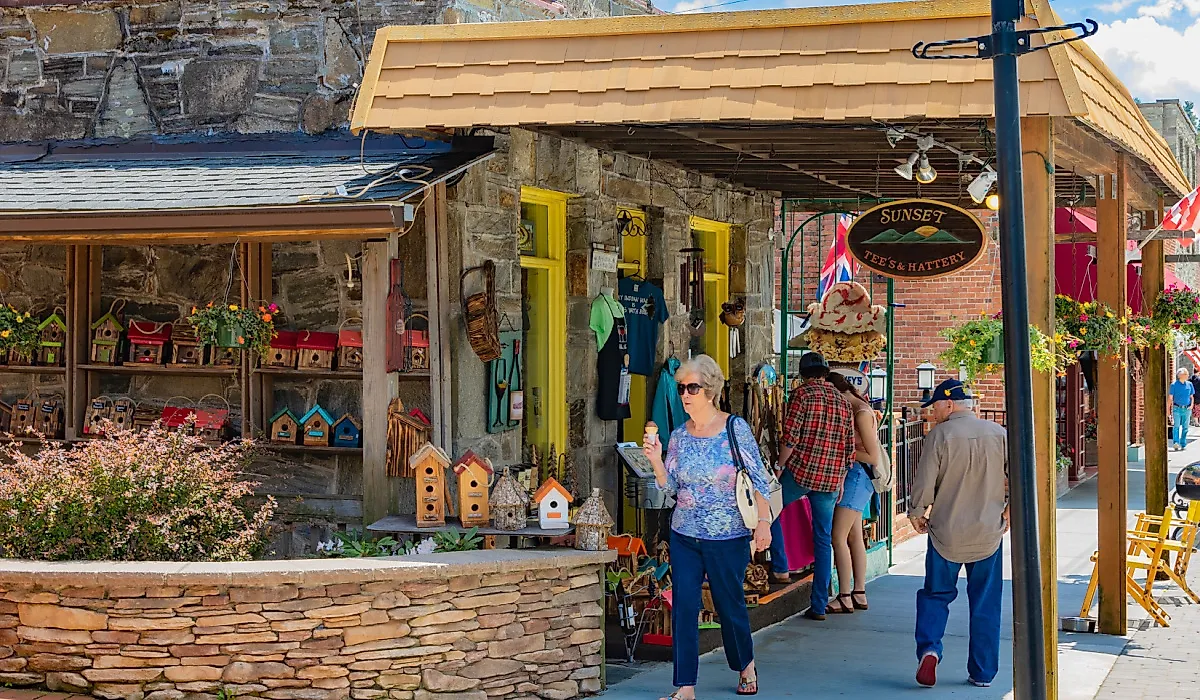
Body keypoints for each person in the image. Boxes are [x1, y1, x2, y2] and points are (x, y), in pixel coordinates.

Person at [643, 354, 773, 700]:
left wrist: (763, 523)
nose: (684, 394)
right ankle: (685, 686)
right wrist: (656, 460)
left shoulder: (735, 428)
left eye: (692, 387)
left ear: (710, 390)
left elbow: (759, 479)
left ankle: (745, 664)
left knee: (729, 604)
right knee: (684, 605)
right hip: (685, 533)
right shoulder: (680, 436)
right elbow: (669, 488)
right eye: (681, 387)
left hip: (727, 535)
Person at [909, 379, 1008, 689]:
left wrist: (916, 512)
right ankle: (983, 672)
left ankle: (929, 649)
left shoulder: (940, 435)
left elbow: (925, 481)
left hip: (946, 533)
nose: (932, 412)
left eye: (935, 406)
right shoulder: (999, 434)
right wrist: (1009, 513)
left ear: (949, 404)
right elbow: (1021, 476)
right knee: (986, 604)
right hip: (988, 532)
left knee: (935, 596)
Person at [778, 351, 856, 621]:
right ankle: (819, 604)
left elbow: (790, 438)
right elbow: (849, 447)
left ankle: (780, 567)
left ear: (802, 374)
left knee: (771, 509)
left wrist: (779, 465)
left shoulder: (801, 395)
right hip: (831, 478)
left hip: (801, 472)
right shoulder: (842, 401)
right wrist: (842, 479)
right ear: (825, 372)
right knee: (824, 539)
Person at [823, 372, 884, 614]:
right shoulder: (859, 407)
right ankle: (858, 592)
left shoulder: (859, 412)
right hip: (858, 476)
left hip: (858, 476)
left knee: (837, 537)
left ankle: (845, 595)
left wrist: (842, 451)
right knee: (854, 537)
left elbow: (872, 456)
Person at [1171, 368, 1194, 451]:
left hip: (1187, 409)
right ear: (1180, 376)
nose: (1187, 376)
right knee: (1176, 426)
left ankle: (1183, 443)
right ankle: (1176, 443)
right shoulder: (1174, 385)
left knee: (1185, 427)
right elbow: (1170, 398)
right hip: (1177, 408)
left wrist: (1191, 405)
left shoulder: (1189, 384)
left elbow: (1191, 397)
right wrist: (1168, 410)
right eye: (1186, 374)